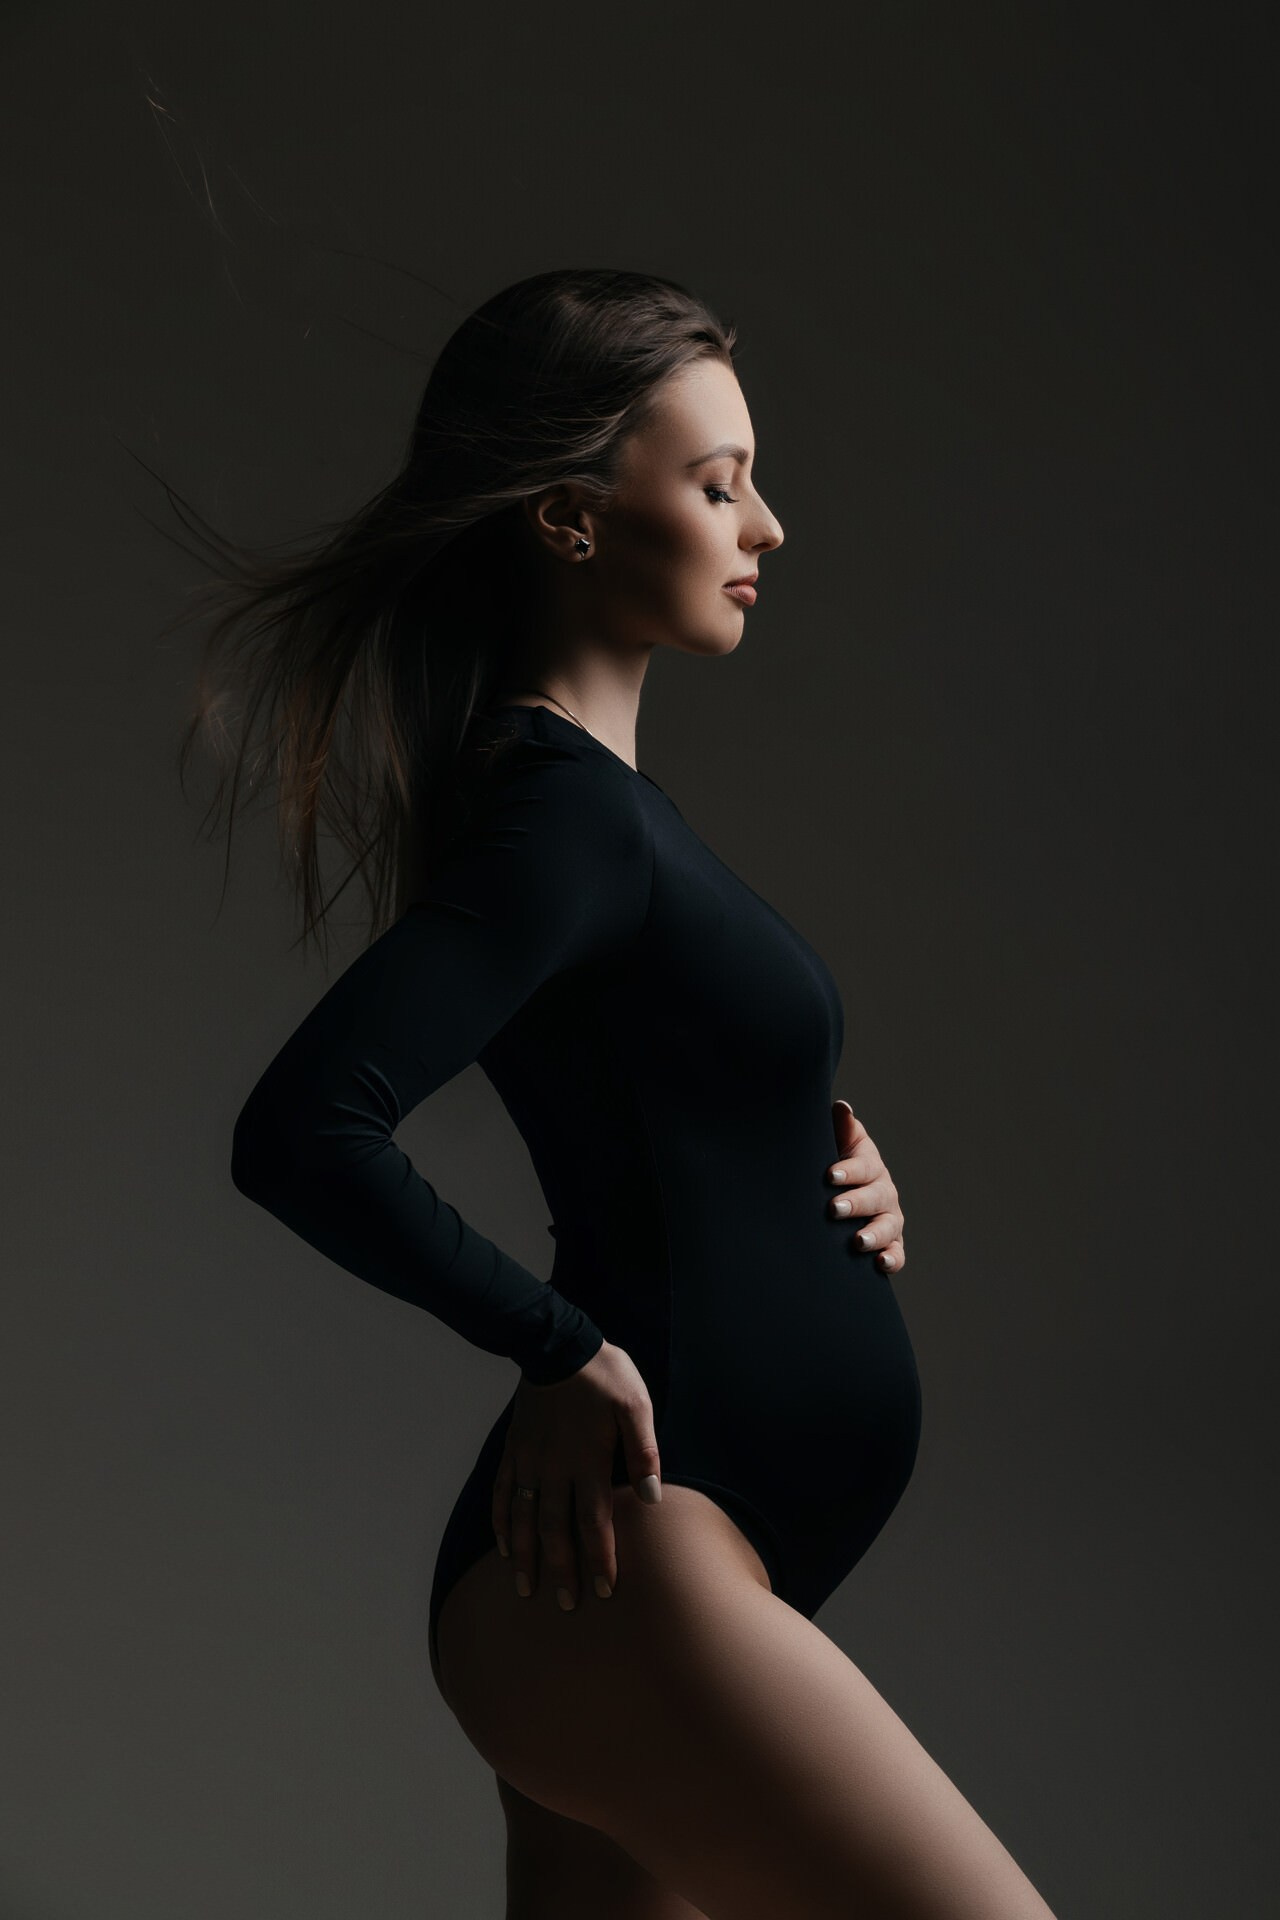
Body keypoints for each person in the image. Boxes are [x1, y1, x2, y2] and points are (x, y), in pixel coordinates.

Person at [177, 269, 1058, 1917]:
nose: (768, 526)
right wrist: (561, 1346)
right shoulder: (561, 812)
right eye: (717, 484)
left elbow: (657, 1101)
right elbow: (304, 1128)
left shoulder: (595, 815)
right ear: (576, 521)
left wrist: (829, 1161)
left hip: (632, 1584)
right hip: (628, 1570)